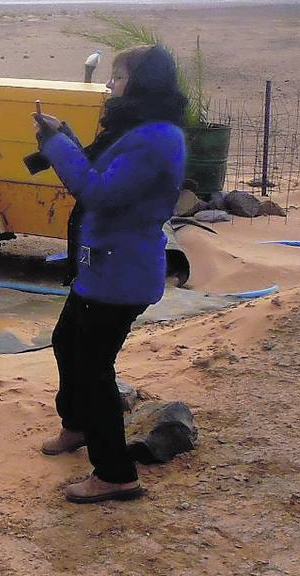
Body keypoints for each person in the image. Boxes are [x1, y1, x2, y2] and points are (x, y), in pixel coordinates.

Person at [33, 44, 186, 503]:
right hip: (102, 265)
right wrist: (66, 137)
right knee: (67, 342)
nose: (110, 85)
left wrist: (57, 145)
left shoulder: (154, 138)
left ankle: (116, 473)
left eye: (118, 77)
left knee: (94, 368)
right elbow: (101, 169)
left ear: (140, 84)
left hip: (121, 269)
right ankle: (77, 426)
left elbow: (98, 191)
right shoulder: (138, 130)